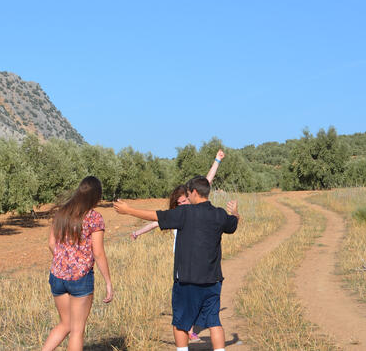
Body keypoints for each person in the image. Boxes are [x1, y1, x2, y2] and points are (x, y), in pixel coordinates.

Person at [114, 175, 239, 351]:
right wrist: (235, 211)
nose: (187, 198)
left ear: (194, 192)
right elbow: (233, 223)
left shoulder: (184, 213)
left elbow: (155, 216)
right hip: (213, 280)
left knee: (180, 322)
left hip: (187, 281)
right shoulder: (219, 214)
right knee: (214, 322)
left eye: (188, 194)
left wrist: (129, 210)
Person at [129, 149, 224, 343]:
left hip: (193, 267)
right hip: (182, 262)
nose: (183, 203)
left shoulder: (189, 210)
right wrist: (138, 233)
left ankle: (187, 331)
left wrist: (217, 161)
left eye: (185, 200)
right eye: (179, 202)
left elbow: (207, 182)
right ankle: (190, 329)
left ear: (191, 197)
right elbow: (155, 221)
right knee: (193, 305)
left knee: (185, 303)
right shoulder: (178, 214)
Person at [41, 176, 114, 351]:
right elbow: (98, 252)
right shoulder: (94, 217)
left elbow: (51, 244)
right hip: (80, 278)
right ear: (96, 195)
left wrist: (64, 261)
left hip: (57, 275)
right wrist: (108, 282)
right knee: (77, 330)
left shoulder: (62, 213)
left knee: (65, 324)